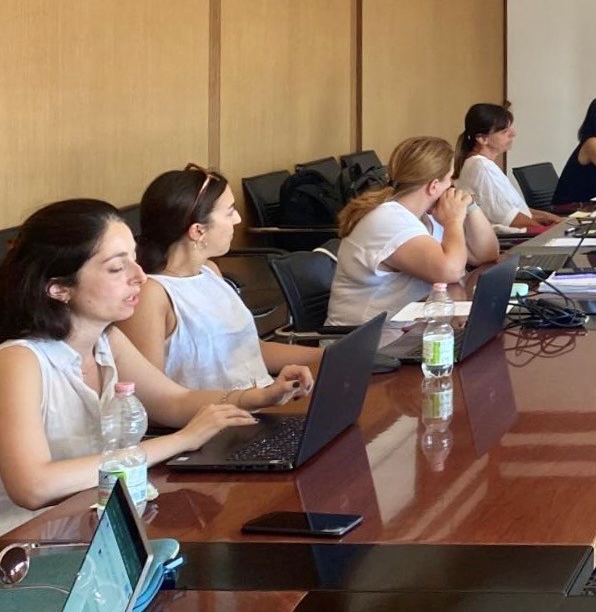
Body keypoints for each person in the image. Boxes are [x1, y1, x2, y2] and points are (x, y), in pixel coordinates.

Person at [0, 200, 312, 532]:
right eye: (117, 268)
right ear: (59, 288)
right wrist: (181, 441)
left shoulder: (107, 340)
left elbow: (173, 401)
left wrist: (260, 396)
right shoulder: (20, 360)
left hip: (100, 524)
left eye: (135, 259)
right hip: (28, 540)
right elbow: (34, 487)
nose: (139, 277)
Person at [118, 166, 322, 390]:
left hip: (262, 398)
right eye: (230, 211)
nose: (238, 219)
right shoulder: (152, 294)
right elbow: (149, 394)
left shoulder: (210, 271)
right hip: (219, 409)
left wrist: (326, 356)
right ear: (198, 231)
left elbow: (250, 351)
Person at [327, 136, 500, 326]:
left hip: (406, 330)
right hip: (366, 338)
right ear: (434, 186)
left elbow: (486, 254)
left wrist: (470, 204)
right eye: (450, 178)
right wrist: (454, 221)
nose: (453, 184)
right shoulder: (388, 219)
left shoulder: (426, 214)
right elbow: (451, 271)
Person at [455, 103, 562, 232]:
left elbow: (514, 210)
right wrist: (556, 230)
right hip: (513, 239)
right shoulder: (482, 167)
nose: (513, 134)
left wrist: (548, 217)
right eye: (505, 131)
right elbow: (514, 220)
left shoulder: (478, 164)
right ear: (482, 139)